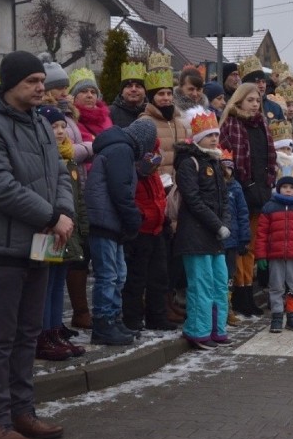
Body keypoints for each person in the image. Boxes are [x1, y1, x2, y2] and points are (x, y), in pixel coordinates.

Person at [0, 51, 74, 439]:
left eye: (41, 80)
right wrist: (50, 216)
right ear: (10, 85)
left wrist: (63, 211)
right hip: (4, 249)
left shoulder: (41, 123)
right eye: (31, 81)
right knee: (0, 337)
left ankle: (22, 412)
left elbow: (60, 171)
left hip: (41, 244)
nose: (41, 87)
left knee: (29, 333)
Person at [85, 119, 158, 345]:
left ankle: (113, 320)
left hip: (110, 219)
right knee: (108, 275)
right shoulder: (121, 149)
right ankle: (103, 323)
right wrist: (132, 218)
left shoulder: (119, 147)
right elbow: (121, 189)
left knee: (118, 274)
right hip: (106, 219)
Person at [173, 111, 231, 349]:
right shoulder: (189, 163)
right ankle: (198, 330)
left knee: (219, 282)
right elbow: (193, 200)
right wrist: (217, 225)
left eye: (216, 134)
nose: (214, 139)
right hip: (196, 235)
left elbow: (224, 199)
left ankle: (217, 329)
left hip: (215, 236)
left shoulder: (215, 162)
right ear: (197, 137)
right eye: (209, 135)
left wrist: (224, 222)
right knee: (201, 285)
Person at [34, 105, 87, 361]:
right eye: (53, 126)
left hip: (66, 230)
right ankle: (42, 333)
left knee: (56, 282)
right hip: (47, 228)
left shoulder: (68, 158)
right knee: (44, 283)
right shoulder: (41, 155)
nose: (59, 131)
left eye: (62, 126)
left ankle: (55, 330)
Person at [220, 83, 277, 314]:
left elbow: (268, 159)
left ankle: (247, 292)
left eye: (257, 100)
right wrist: (246, 183)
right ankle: (239, 296)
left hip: (260, 191)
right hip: (239, 191)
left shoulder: (262, 124)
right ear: (239, 101)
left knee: (252, 246)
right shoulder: (231, 125)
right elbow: (229, 161)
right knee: (239, 246)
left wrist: (265, 183)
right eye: (250, 100)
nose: (255, 104)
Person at [122, 138, 178, 332]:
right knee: (136, 278)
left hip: (157, 228)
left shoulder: (153, 172)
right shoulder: (133, 169)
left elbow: (158, 195)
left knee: (159, 277)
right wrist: (142, 216)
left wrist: (163, 219)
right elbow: (129, 197)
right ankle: (132, 317)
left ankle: (157, 316)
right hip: (141, 230)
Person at [254, 177, 293, 332]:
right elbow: (261, 234)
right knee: (276, 286)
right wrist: (261, 255)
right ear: (278, 189)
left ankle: (292, 315)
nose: (288, 190)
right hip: (275, 255)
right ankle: (276, 316)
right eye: (284, 187)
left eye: (291, 187)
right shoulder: (270, 207)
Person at [221, 150, 250, 326]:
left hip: (232, 241)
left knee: (229, 275)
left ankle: (228, 307)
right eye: (223, 168)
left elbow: (242, 214)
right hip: (218, 241)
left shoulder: (236, 188)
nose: (227, 171)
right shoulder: (215, 187)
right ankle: (219, 309)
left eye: (229, 168)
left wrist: (244, 239)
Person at [69, 67, 112, 143]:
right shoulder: (70, 119)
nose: (89, 95)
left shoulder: (105, 117)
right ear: (73, 96)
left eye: (93, 92)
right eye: (84, 91)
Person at [109, 62, 148, 128]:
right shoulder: (110, 113)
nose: (133, 89)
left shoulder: (152, 112)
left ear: (145, 92)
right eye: (129, 86)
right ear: (122, 92)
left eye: (138, 86)